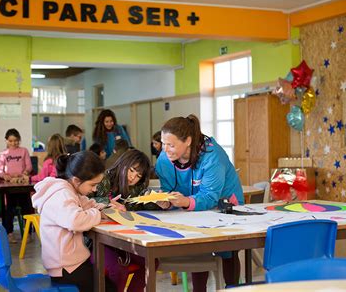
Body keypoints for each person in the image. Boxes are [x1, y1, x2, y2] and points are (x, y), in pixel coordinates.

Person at [155, 114, 244, 292]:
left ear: (187, 141)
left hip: (223, 205)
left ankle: (233, 287)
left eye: (171, 145)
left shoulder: (212, 156)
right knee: (198, 248)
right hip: (191, 207)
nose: (166, 150)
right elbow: (167, 188)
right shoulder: (164, 161)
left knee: (227, 250)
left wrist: (186, 201)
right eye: (164, 143)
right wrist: (166, 201)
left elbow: (210, 196)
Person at [31, 151, 115, 292]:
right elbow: (75, 221)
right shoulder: (61, 194)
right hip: (65, 267)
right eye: (92, 185)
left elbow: (86, 204)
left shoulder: (69, 189)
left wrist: (104, 208)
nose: (94, 189)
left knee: (106, 280)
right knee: (109, 288)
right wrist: (98, 214)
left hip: (67, 263)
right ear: (76, 180)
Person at [91, 149, 160, 291]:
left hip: (125, 239)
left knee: (152, 262)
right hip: (99, 242)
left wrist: (160, 203)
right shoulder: (104, 178)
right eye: (132, 170)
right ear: (123, 164)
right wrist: (107, 202)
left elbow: (142, 205)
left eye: (138, 175)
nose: (133, 177)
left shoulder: (137, 187)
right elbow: (87, 200)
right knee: (118, 271)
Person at [0, 128, 33, 243]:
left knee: (27, 208)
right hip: (9, 186)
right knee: (9, 210)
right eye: (11, 141)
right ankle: (9, 233)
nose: (13, 143)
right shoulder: (3, 154)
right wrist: (4, 176)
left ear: (19, 140)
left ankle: (28, 232)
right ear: (6, 141)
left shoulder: (24, 151)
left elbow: (29, 166)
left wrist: (24, 173)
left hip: (22, 185)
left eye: (16, 140)